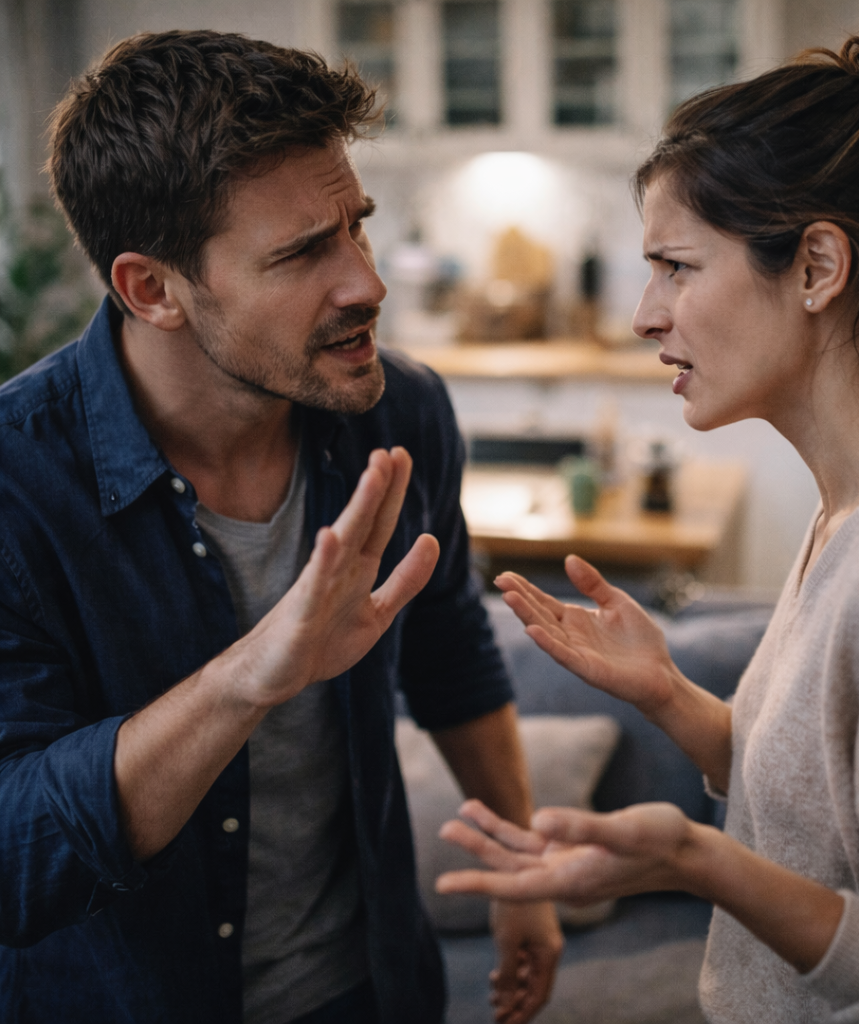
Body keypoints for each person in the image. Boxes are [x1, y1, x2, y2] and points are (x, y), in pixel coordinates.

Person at [436, 23, 859, 1023]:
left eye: (677, 266)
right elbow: (823, 816)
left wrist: (696, 859)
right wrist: (670, 697)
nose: (644, 314)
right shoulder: (856, 508)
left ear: (816, 267)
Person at [0, 30, 562, 1024]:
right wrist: (251, 674)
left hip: (369, 990)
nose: (367, 283)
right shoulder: (18, 485)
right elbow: (16, 853)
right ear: (152, 289)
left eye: (356, 227)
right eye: (303, 252)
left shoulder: (400, 413)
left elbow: (451, 654)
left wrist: (524, 871)